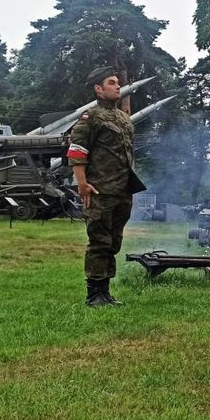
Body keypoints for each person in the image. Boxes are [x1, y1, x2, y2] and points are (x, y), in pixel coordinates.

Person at [67, 66, 146, 306]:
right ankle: (94, 294)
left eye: (117, 82)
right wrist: (82, 185)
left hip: (122, 190)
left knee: (114, 242)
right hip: (100, 190)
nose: (117, 85)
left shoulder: (123, 118)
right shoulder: (90, 117)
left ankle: (105, 292)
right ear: (98, 89)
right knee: (99, 241)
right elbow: (77, 152)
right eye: (111, 82)